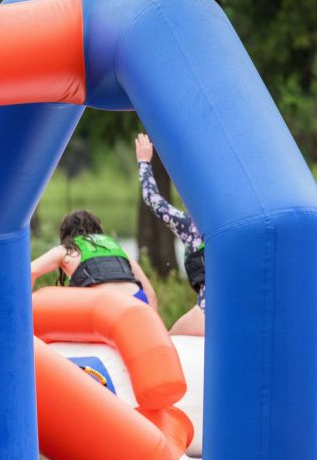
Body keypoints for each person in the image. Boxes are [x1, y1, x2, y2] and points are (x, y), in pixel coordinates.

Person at [135, 133, 206, 336]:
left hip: (208, 312)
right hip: (237, 311)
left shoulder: (190, 226)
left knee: (168, 341)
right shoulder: (231, 224)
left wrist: (143, 162)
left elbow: (152, 199)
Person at [30, 210, 159, 309]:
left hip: (105, 306)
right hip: (137, 301)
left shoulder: (66, 250)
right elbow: (151, 295)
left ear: (66, 234)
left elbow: (30, 271)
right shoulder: (116, 248)